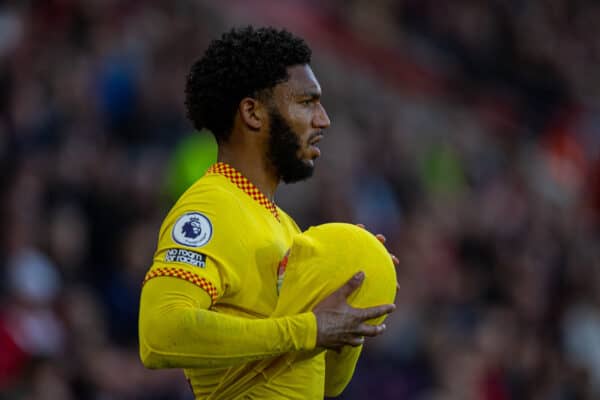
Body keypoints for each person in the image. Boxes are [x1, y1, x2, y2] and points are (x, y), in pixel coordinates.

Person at [138, 26, 395, 399]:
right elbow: (159, 334)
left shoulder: (284, 226)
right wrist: (309, 329)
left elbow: (325, 385)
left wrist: (354, 291)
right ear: (253, 113)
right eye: (307, 102)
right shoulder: (211, 207)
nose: (323, 120)